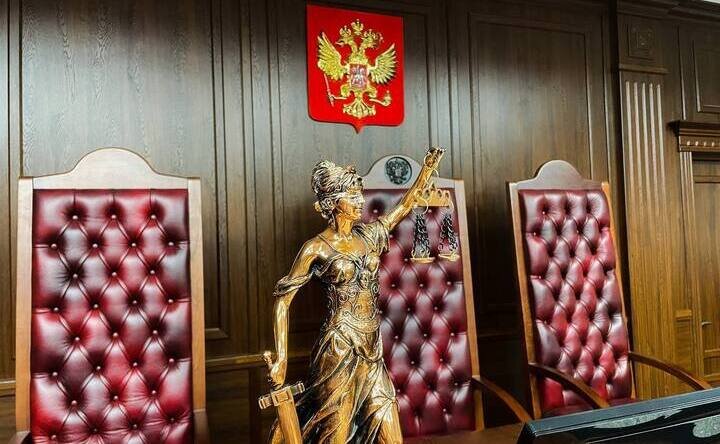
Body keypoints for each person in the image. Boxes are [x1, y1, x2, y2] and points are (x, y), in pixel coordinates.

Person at [267, 147, 445, 443]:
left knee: (390, 432)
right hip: (338, 348)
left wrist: (426, 170)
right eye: (352, 196)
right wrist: (281, 359)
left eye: (359, 194)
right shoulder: (316, 248)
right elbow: (283, 301)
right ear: (334, 202)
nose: (361, 200)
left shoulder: (368, 235)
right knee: (335, 433)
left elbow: (405, 206)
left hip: (372, 348)